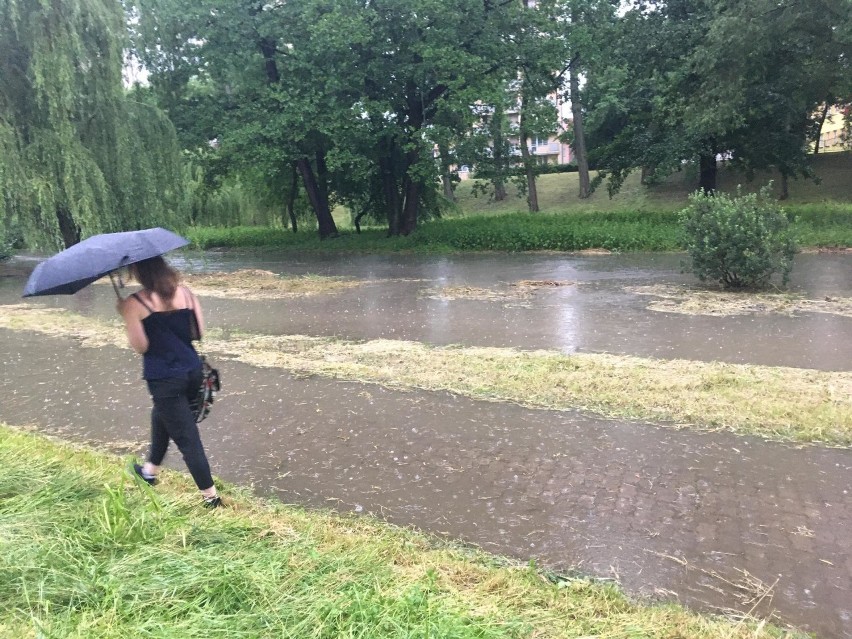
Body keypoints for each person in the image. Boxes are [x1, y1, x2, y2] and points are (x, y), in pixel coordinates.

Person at [116, 256, 221, 508]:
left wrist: (126, 315)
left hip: (164, 377)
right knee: (161, 414)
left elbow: (142, 347)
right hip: (193, 370)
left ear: (138, 272)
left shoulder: (135, 303)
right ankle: (149, 472)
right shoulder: (185, 293)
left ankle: (211, 499)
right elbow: (198, 333)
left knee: (187, 438)